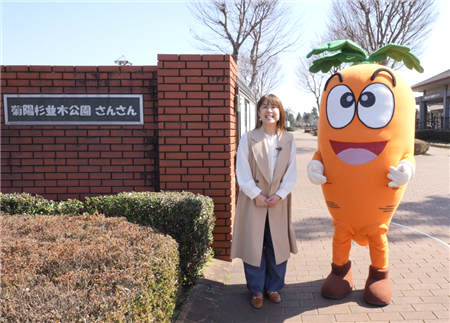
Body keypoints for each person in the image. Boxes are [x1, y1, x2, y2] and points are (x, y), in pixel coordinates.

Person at [230, 94, 298, 309]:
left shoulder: (288, 139)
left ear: (280, 113)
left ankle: (274, 288)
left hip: (278, 201)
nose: (269, 111)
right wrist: (255, 194)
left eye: (274, 107)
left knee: (277, 244)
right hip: (254, 201)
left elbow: (292, 172)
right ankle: (257, 290)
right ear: (259, 112)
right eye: (265, 107)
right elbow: (241, 169)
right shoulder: (248, 137)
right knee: (254, 245)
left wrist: (279, 194)